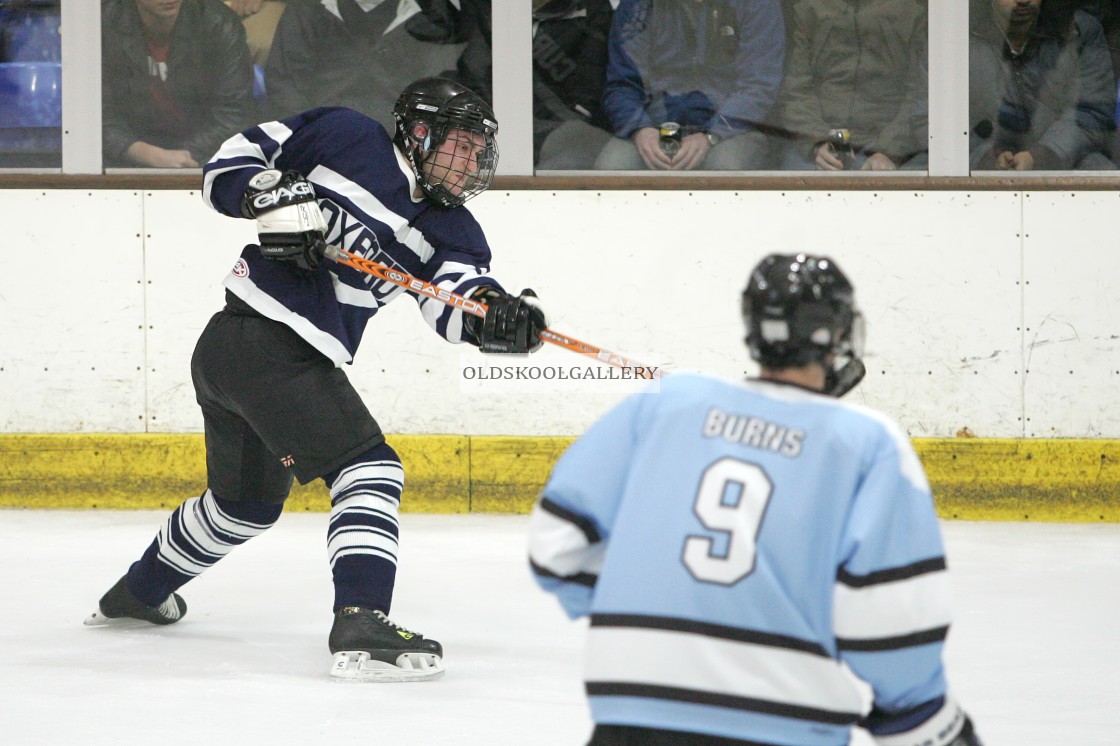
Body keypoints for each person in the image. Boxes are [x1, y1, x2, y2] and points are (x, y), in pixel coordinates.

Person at [85, 77, 549, 683]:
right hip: (256, 339)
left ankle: (137, 594)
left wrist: (498, 317)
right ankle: (361, 617)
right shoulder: (345, 134)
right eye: (458, 146)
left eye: (475, 152)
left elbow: (453, 301)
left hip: (254, 359)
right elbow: (229, 162)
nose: (468, 163)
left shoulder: (451, 227)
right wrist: (268, 195)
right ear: (417, 132)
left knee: (243, 507)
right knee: (371, 468)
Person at [528, 253, 983, 746]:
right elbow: (889, 620)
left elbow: (555, 544)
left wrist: (650, 601)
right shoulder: (864, 442)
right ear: (838, 334)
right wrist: (925, 715)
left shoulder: (667, 402)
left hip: (630, 712)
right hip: (783, 722)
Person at [595, 0, 785, 171]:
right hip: (653, 126)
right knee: (612, 166)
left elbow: (760, 85)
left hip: (731, 130)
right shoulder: (639, 5)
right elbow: (622, 83)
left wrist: (712, 135)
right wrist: (639, 129)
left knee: (725, 168)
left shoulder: (757, 4)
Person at [453, 0, 616, 170]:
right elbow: (473, 75)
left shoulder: (593, 10)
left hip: (561, 136)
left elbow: (587, 95)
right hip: (492, 132)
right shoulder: (490, 10)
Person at [101, 0, 258, 168]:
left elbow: (234, 113)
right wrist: (141, 152)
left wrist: (181, 156)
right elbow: (93, 113)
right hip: (126, 156)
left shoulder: (218, 23)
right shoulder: (103, 23)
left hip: (205, 152)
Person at [774, 0, 928, 171]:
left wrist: (889, 151)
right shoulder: (810, 9)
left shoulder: (911, 13)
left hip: (887, 143)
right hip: (815, 141)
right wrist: (817, 143)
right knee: (789, 188)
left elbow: (918, 96)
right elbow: (795, 90)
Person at [263, 0, 465, 129]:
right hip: (319, 144)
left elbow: (439, 98)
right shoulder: (307, 10)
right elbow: (284, 88)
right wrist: (312, 136)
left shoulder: (437, 17)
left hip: (400, 153)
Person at [969, 0, 1116, 170]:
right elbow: (933, 123)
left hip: (1068, 162)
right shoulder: (951, 32)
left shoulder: (1080, 31)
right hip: (975, 166)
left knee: (1102, 173)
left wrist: (1042, 156)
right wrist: (987, 159)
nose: (1023, 0)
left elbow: (1092, 112)